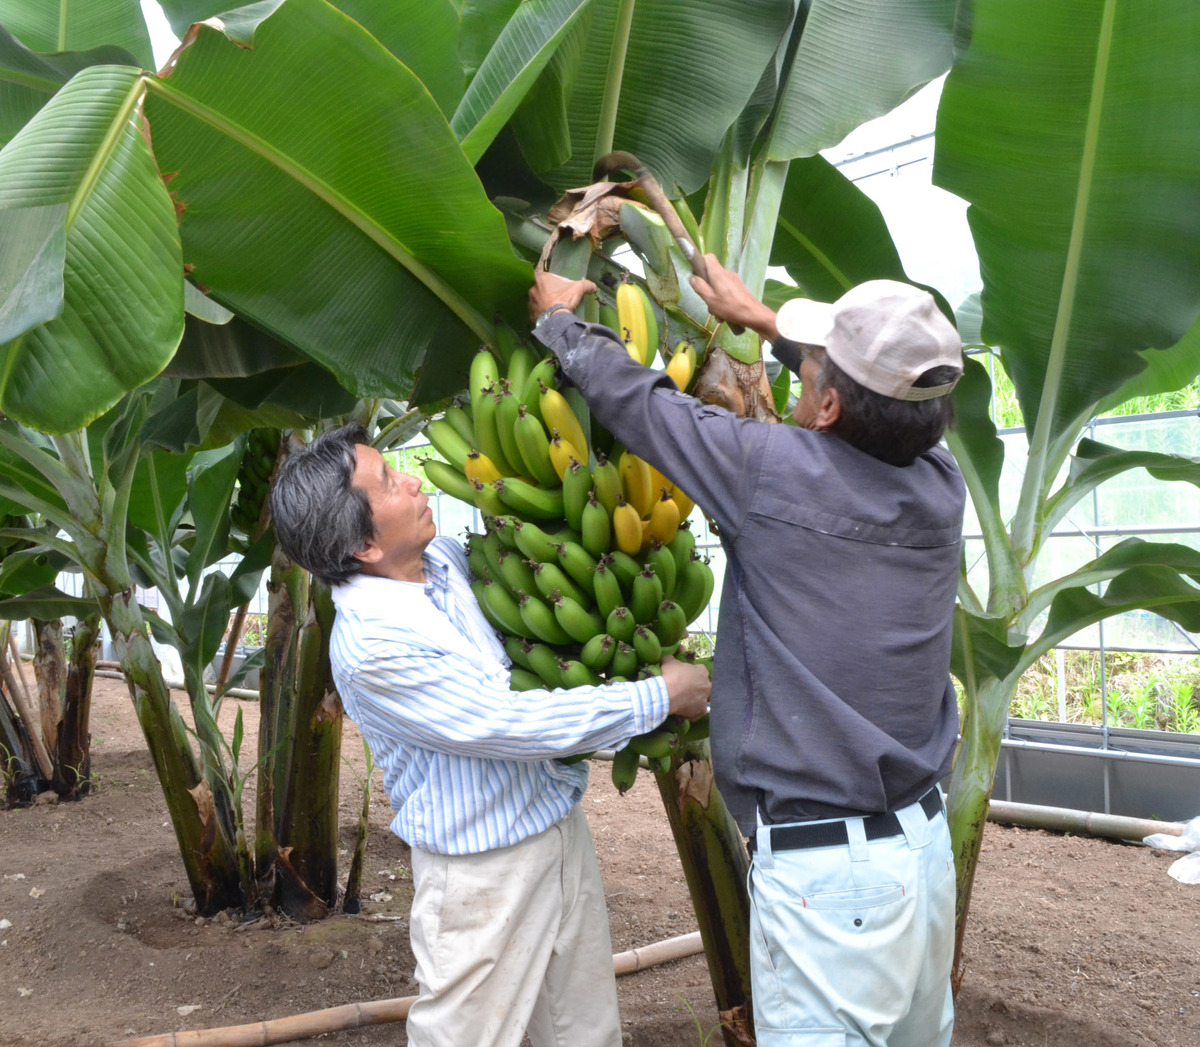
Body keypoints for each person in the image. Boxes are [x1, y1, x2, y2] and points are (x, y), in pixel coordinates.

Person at [528, 259, 966, 1047]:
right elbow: (866, 400)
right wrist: (762, 321)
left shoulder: (768, 473)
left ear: (829, 405)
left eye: (814, 367)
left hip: (831, 888)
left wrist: (562, 321)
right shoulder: (940, 483)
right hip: (922, 853)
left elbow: (643, 407)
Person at [269, 423, 711, 1047]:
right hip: (481, 873)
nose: (415, 480)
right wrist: (659, 697)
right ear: (364, 543)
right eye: (390, 481)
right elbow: (507, 722)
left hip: (558, 833)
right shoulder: (373, 645)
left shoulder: (451, 563)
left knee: (587, 1033)